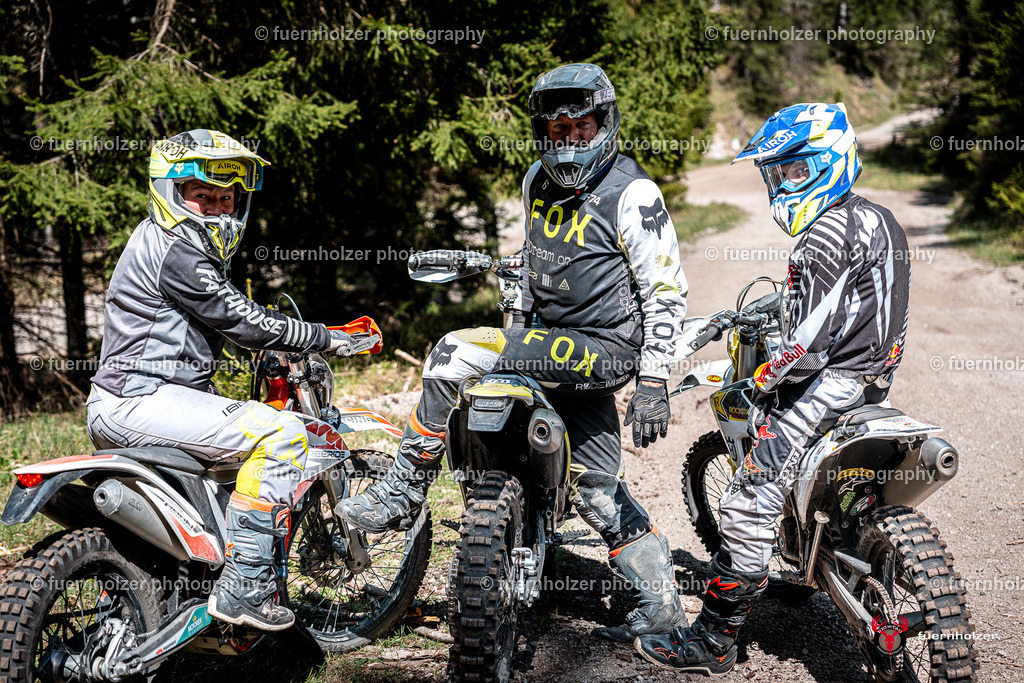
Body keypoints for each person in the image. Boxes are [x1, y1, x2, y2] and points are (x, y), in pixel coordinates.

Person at [338, 63, 689, 641]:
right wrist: (520, 325)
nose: (569, 140)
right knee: (597, 486)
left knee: (454, 351)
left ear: (606, 124)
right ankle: (661, 609)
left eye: (582, 127)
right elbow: (532, 261)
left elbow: (665, 289)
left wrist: (653, 382)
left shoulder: (634, 192)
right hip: (549, 345)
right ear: (543, 134)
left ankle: (402, 489)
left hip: (604, 350)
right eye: (557, 131)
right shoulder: (535, 180)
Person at [636, 102, 911, 674]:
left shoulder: (820, 237)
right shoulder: (881, 219)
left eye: (793, 170)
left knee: (747, 500)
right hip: (873, 382)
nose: (782, 184)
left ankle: (712, 642)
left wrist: (763, 379)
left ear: (827, 164)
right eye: (776, 173)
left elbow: (805, 346)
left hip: (826, 388)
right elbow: (856, 306)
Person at [86, 129, 377, 632]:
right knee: (284, 435)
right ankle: (244, 589)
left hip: (139, 400)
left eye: (227, 198)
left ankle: (185, 588)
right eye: (204, 196)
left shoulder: (161, 238)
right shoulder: (176, 249)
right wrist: (326, 336)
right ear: (172, 193)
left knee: (235, 466)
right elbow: (242, 321)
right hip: (139, 400)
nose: (218, 209)